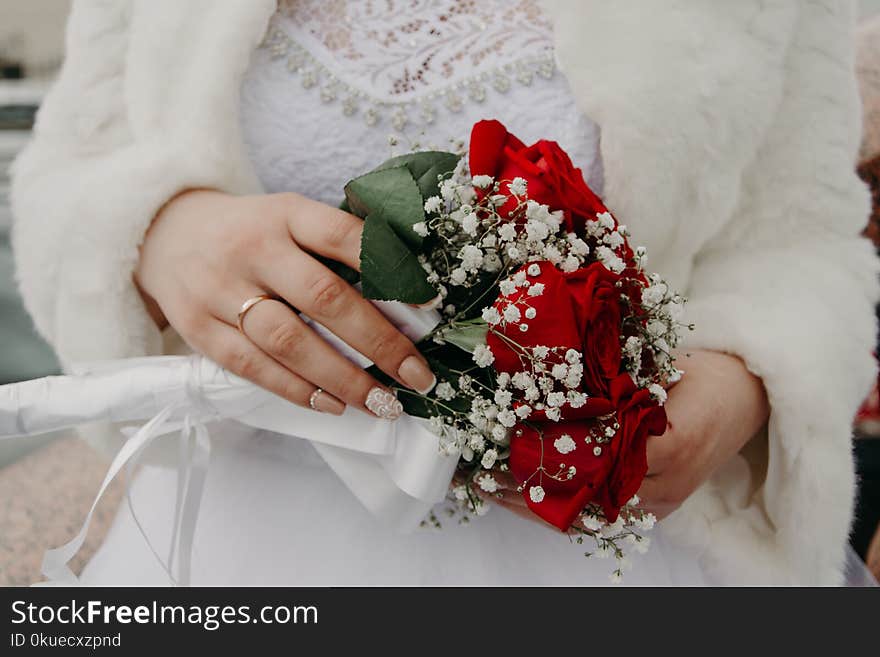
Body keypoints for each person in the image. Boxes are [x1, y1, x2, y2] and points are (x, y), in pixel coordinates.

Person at [10, 0, 877, 585]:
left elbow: (805, 240)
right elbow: (68, 170)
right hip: (232, 534)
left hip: (590, 556)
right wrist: (161, 232)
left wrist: (738, 389)